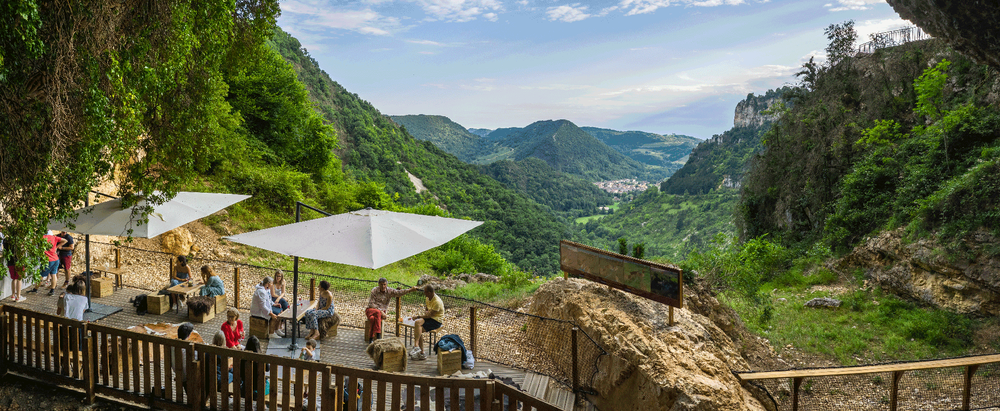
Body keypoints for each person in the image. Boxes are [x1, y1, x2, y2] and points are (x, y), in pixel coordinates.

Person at [365, 278, 418, 344]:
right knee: (378, 312)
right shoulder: (374, 290)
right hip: (371, 310)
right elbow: (371, 304)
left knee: (372, 319)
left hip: (380, 313)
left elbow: (399, 293)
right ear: (379, 284)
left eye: (384, 284)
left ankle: (371, 338)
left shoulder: (389, 291)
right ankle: (378, 335)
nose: (383, 286)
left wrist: (410, 290)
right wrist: (381, 311)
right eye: (381, 284)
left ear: (386, 284)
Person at [411, 285, 444, 360]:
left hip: (436, 321)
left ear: (430, 292)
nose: (424, 293)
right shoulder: (428, 298)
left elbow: (429, 316)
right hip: (430, 318)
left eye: (425, 292)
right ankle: (419, 350)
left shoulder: (437, 302)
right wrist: (426, 312)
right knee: (417, 325)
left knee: (418, 329)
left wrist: (418, 316)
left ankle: (418, 349)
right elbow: (427, 308)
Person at [32, 231, 67, 296]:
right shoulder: (54, 237)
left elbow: (33, 242)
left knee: (41, 276)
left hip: (47, 260)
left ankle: (35, 290)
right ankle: (52, 290)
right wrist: (57, 247)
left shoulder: (42, 237)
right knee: (53, 274)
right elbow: (65, 240)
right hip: (56, 259)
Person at [173, 322, 195, 394]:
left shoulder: (172, 346)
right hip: (187, 376)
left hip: (178, 371)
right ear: (188, 336)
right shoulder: (187, 349)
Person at [4, 235, 26, 302]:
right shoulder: (18, 239)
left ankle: (13, 295)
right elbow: (22, 250)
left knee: (14, 279)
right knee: (19, 279)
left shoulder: (5, 240)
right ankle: (18, 296)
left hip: (10, 262)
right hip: (19, 261)